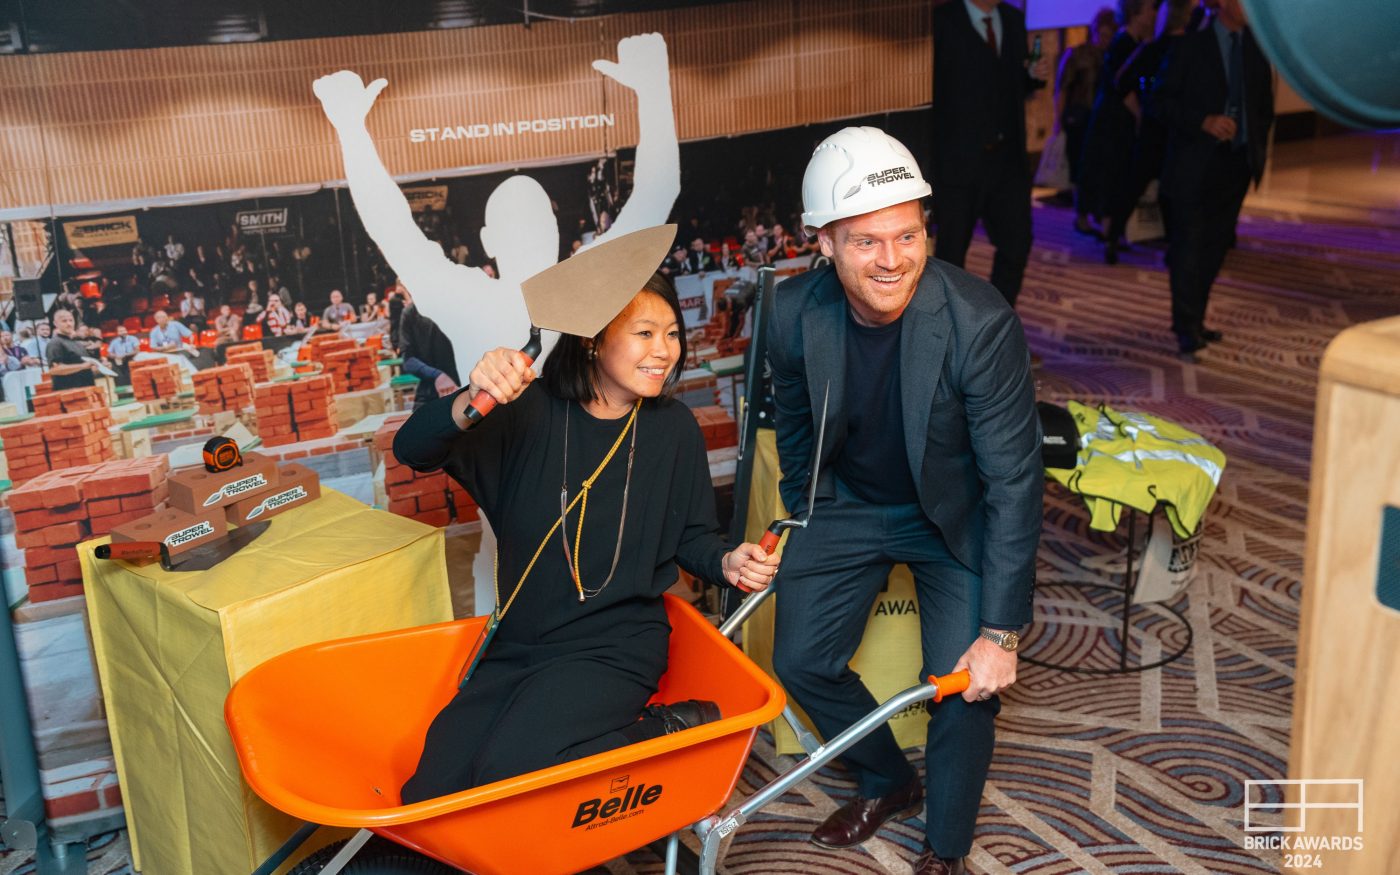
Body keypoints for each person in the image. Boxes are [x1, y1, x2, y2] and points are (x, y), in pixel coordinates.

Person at [393, 272, 780, 803]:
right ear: (593, 339)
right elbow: (412, 449)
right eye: (645, 333)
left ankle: (662, 730)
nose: (664, 350)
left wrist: (727, 561)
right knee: (429, 793)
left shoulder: (672, 428)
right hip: (519, 644)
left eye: (672, 333)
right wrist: (475, 395)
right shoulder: (526, 412)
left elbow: (693, 535)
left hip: (615, 646)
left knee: (506, 773)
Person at [770, 128, 1041, 875]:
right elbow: (794, 424)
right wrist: (803, 507)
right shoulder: (791, 312)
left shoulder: (978, 323)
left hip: (954, 514)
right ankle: (889, 779)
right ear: (824, 242)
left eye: (908, 235)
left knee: (963, 683)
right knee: (800, 659)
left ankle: (946, 848)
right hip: (850, 501)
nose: (893, 260)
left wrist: (1002, 633)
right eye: (866, 242)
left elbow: (1014, 480)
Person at [1154, 0, 1273, 355]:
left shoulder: (1256, 49)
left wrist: (1253, 144)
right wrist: (1202, 121)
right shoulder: (1190, 46)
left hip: (1236, 165)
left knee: (1215, 246)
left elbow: (1263, 106)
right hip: (1194, 163)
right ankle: (1186, 324)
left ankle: (1197, 317)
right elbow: (1159, 102)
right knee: (1188, 246)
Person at [930, 0, 1050, 308]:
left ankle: (998, 325)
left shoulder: (1012, 19)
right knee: (951, 257)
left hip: (1007, 162)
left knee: (1017, 245)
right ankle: (951, 331)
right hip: (958, 163)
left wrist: (1032, 75)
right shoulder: (942, 20)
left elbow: (1011, 84)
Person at [1081, 0, 1161, 264]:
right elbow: (1122, 85)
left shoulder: (1137, 41)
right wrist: (1140, 119)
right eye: (1150, 8)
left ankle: (1114, 230)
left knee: (1123, 172)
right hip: (1113, 120)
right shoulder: (1122, 42)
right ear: (1136, 12)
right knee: (1112, 171)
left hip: (1122, 119)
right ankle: (1109, 232)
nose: (1155, 13)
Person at [1056, 7, 1117, 237]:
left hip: (1102, 121)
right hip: (1079, 118)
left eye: (1110, 36)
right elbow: (1062, 89)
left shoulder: (1112, 57)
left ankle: (1096, 212)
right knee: (1079, 168)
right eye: (1103, 35)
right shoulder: (1078, 54)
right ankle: (1081, 215)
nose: (1105, 40)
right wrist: (1058, 121)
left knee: (1098, 168)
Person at [397, 285, 461, 407]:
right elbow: (408, 360)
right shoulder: (410, 313)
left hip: (465, 388)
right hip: (430, 391)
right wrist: (438, 375)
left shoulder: (458, 307)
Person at [45, 310, 100, 391]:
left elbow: (85, 367)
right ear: (55, 323)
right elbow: (54, 369)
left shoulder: (78, 344)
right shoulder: (55, 343)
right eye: (64, 321)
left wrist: (99, 368)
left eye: (71, 320)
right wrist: (82, 366)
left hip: (87, 389)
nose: (69, 324)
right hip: (69, 392)